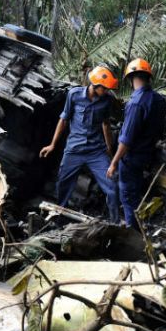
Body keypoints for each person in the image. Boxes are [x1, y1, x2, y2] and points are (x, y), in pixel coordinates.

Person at [40, 66, 121, 223]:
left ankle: (115, 223)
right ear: (94, 85)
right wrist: (52, 145)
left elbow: (106, 125)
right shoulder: (74, 95)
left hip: (96, 151)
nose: (106, 92)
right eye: (104, 89)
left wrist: (110, 150)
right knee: (63, 185)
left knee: (112, 187)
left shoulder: (107, 101)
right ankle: (58, 221)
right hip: (74, 149)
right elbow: (63, 119)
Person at [106, 59, 166, 228]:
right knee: (135, 191)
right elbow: (161, 130)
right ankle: (137, 223)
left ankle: (132, 233)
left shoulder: (135, 103)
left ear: (131, 78)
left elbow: (126, 140)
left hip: (132, 157)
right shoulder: (159, 99)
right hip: (146, 155)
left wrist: (114, 162)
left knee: (128, 196)